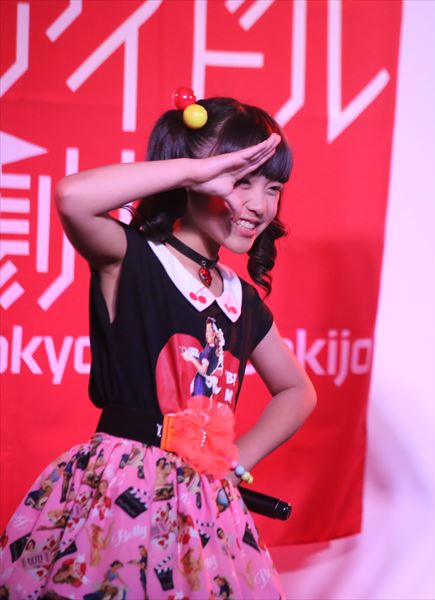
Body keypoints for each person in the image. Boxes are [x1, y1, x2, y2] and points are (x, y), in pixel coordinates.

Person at [0, 96, 316, 598]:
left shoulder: (241, 298)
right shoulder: (132, 256)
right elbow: (71, 197)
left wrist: (233, 462)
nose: (259, 204)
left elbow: (298, 390)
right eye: (240, 180)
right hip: (119, 491)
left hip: (203, 508)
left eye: (272, 188)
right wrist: (195, 170)